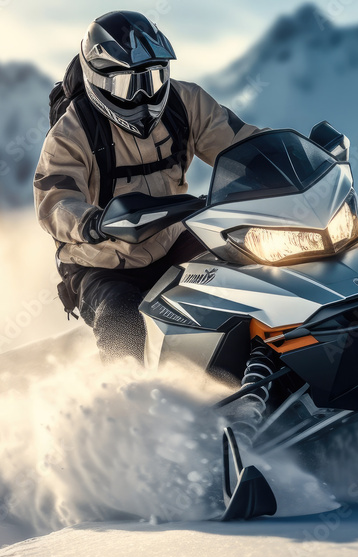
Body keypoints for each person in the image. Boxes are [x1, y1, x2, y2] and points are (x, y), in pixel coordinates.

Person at [33, 11, 262, 360]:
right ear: (99, 79)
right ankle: (125, 405)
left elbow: (242, 144)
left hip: (171, 240)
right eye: (128, 84)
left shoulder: (186, 103)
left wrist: (288, 159)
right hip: (101, 262)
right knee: (124, 321)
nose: (143, 96)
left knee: (249, 276)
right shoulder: (72, 132)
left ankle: (264, 369)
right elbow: (55, 200)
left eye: (152, 79)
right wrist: (92, 222)